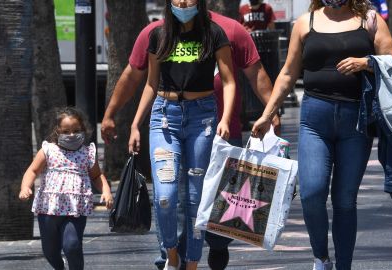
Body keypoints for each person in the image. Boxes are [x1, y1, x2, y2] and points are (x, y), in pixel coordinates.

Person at [101, 9, 279, 270]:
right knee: (172, 199)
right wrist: (111, 114)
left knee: (215, 217)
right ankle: (172, 260)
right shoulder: (157, 33)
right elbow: (134, 75)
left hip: (218, 134)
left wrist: (271, 112)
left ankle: (213, 253)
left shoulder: (229, 30)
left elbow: (256, 73)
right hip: (168, 123)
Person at [251, 0, 392, 269]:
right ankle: (321, 257)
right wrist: (268, 113)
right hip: (314, 120)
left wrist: (365, 62)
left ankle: (344, 265)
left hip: (356, 120)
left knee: (344, 200)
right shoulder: (305, 22)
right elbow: (287, 73)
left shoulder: (370, 20)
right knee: (311, 193)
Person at [128, 0, 237, 269]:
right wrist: (135, 124)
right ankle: (172, 255)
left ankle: (192, 263)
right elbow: (151, 83)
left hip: (203, 119)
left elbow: (229, 80)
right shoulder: (159, 34)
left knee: (195, 199)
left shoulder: (213, 33)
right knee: (165, 195)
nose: (183, 2)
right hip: (165, 117)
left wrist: (225, 118)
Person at [19, 107, 113, 270]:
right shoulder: (48, 150)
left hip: (75, 210)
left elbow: (97, 176)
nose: (71, 135)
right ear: (58, 131)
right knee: (49, 251)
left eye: (76, 130)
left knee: (72, 246)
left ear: (83, 130)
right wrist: (25, 187)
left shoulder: (87, 153)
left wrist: (106, 191)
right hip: (48, 209)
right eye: (66, 131)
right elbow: (32, 170)